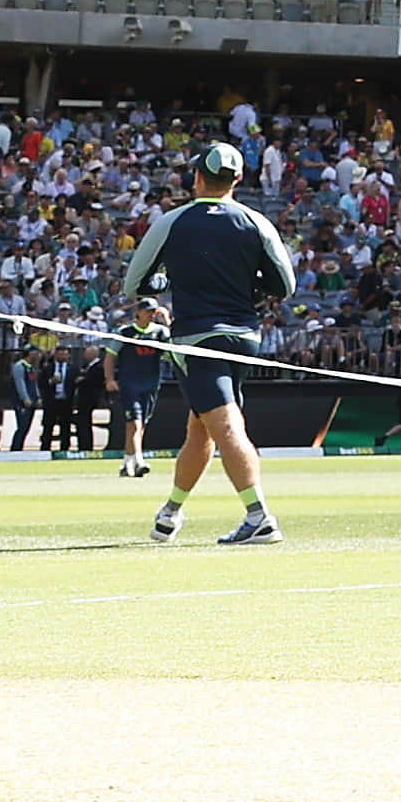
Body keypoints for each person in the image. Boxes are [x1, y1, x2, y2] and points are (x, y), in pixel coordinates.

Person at [116, 139, 299, 545]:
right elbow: (284, 286)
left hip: (198, 339)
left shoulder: (173, 221)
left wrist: (165, 281)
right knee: (201, 428)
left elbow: (135, 285)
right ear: (237, 179)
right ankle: (170, 513)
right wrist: (250, 289)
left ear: (196, 176)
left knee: (227, 424)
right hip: (245, 337)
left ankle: (259, 516)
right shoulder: (256, 221)